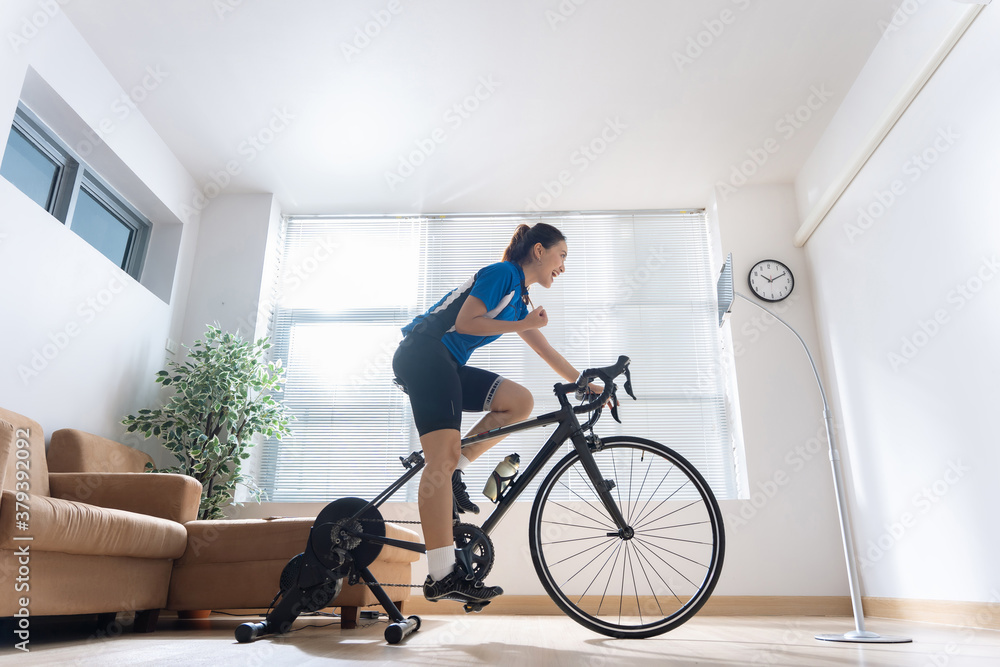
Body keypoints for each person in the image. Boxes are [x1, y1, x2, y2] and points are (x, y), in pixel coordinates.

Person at [392, 222, 603, 604]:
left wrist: (586, 383)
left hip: (447, 363)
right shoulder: (502, 273)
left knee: (519, 402)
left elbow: (545, 351)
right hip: (423, 354)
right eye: (562, 256)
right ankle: (442, 575)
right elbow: (465, 322)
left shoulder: (518, 297)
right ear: (539, 251)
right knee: (440, 458)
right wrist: (525, 322)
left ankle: (454, 469)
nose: (563, 267)